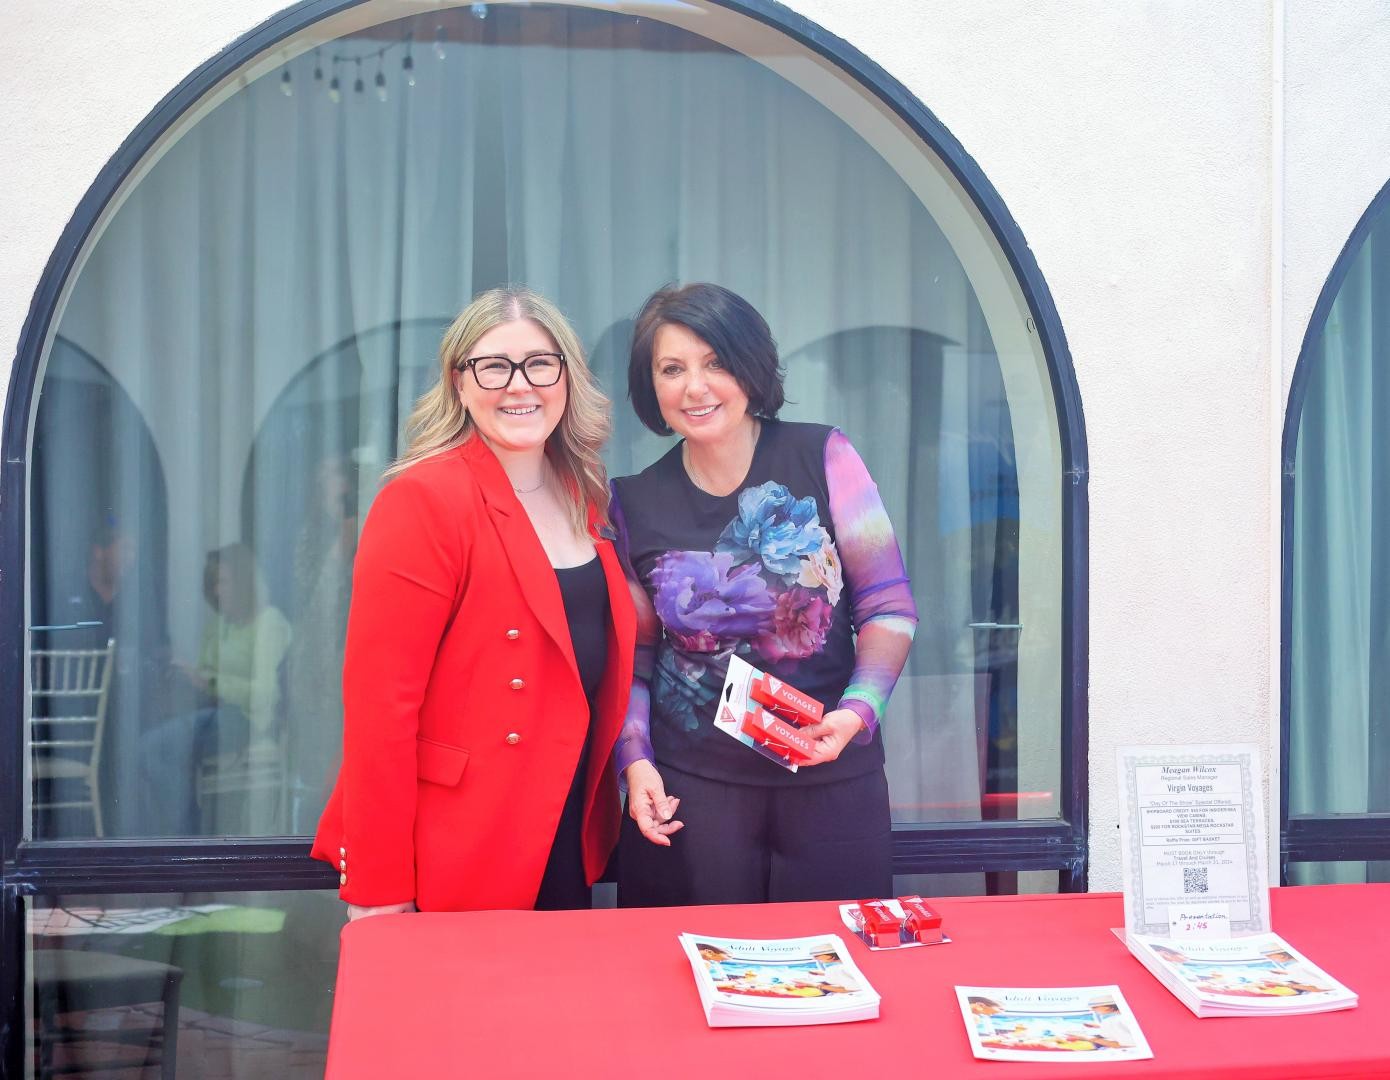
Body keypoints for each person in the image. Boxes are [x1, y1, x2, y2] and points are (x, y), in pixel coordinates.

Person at [311, 287, 635, 916]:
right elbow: (380, 710)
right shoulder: (423, 500)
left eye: (539, 364)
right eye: (493, 367)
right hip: (465, 836)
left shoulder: (584, 493)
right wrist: (381, 886)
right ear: (459, 383)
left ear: (567, 378)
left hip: (565, 818)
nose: (520, 385)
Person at [612, 283, 917, 906]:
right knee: (688, 959)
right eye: (672, 369)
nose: (695, 388)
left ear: (749, 366)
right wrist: (634, 760)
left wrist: (858, 712)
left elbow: (887, 606)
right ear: (652, 387)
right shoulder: (632, 501)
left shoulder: (823, 455)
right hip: (692, 794)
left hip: (831, 778)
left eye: (715, 362)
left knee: (835, 956)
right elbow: (635, 656)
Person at [140, 542, 292, 835]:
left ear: (244, 581)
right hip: (213, 713)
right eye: (213, 583)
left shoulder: (269, 623)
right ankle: (187, 835)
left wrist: (210, 682)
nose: (218, 591)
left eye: (224, 581)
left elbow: (266, 695)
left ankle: (186, 837)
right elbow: (205, 674)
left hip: (248, 721)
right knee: (156, 745)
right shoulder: (219, 625)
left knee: (154, 749)